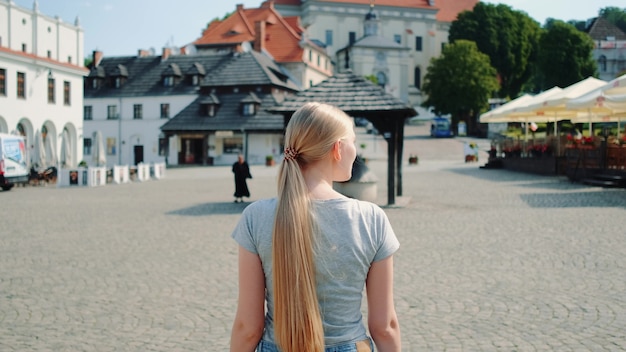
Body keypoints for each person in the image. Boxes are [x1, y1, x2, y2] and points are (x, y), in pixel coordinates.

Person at [230, 102, 401, 352]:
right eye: (353, 140)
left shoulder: (255, 217)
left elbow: (248, 327)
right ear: (338, 149)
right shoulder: (371, 218)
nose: (356, 150)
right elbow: (385, 326)